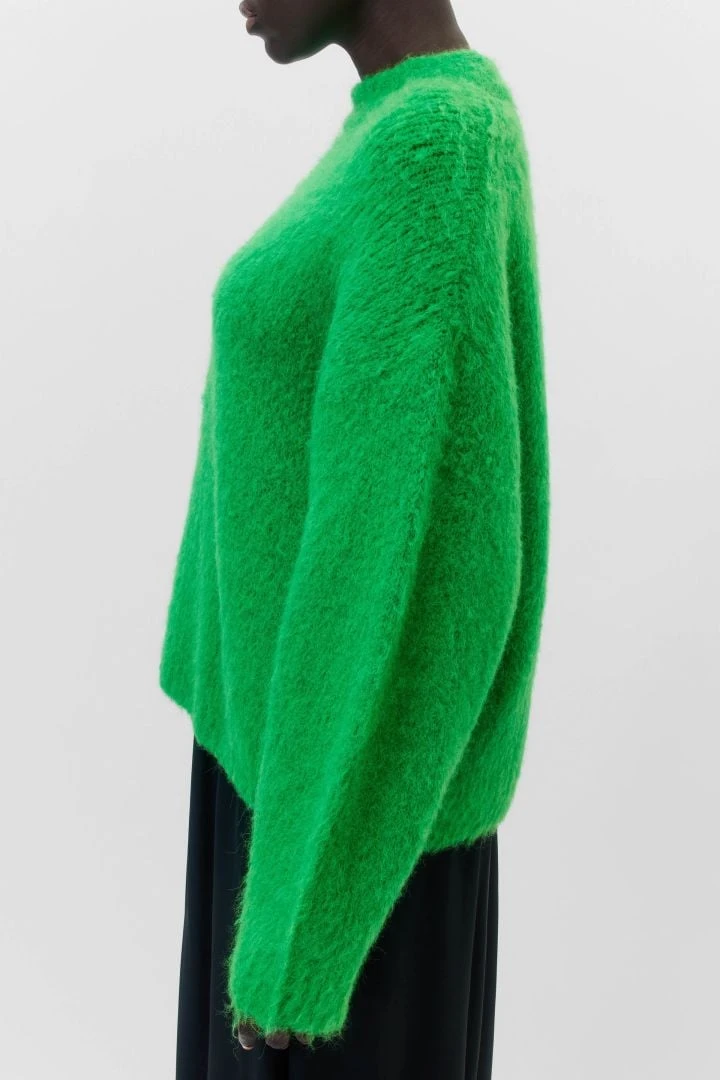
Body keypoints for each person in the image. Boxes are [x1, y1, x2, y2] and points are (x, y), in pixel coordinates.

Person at [159, 0, 550, 1076]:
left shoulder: (435, 144)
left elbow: (403, 557)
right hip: (297, 789)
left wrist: (304, 908)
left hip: (344, 840)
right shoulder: (401, 123)